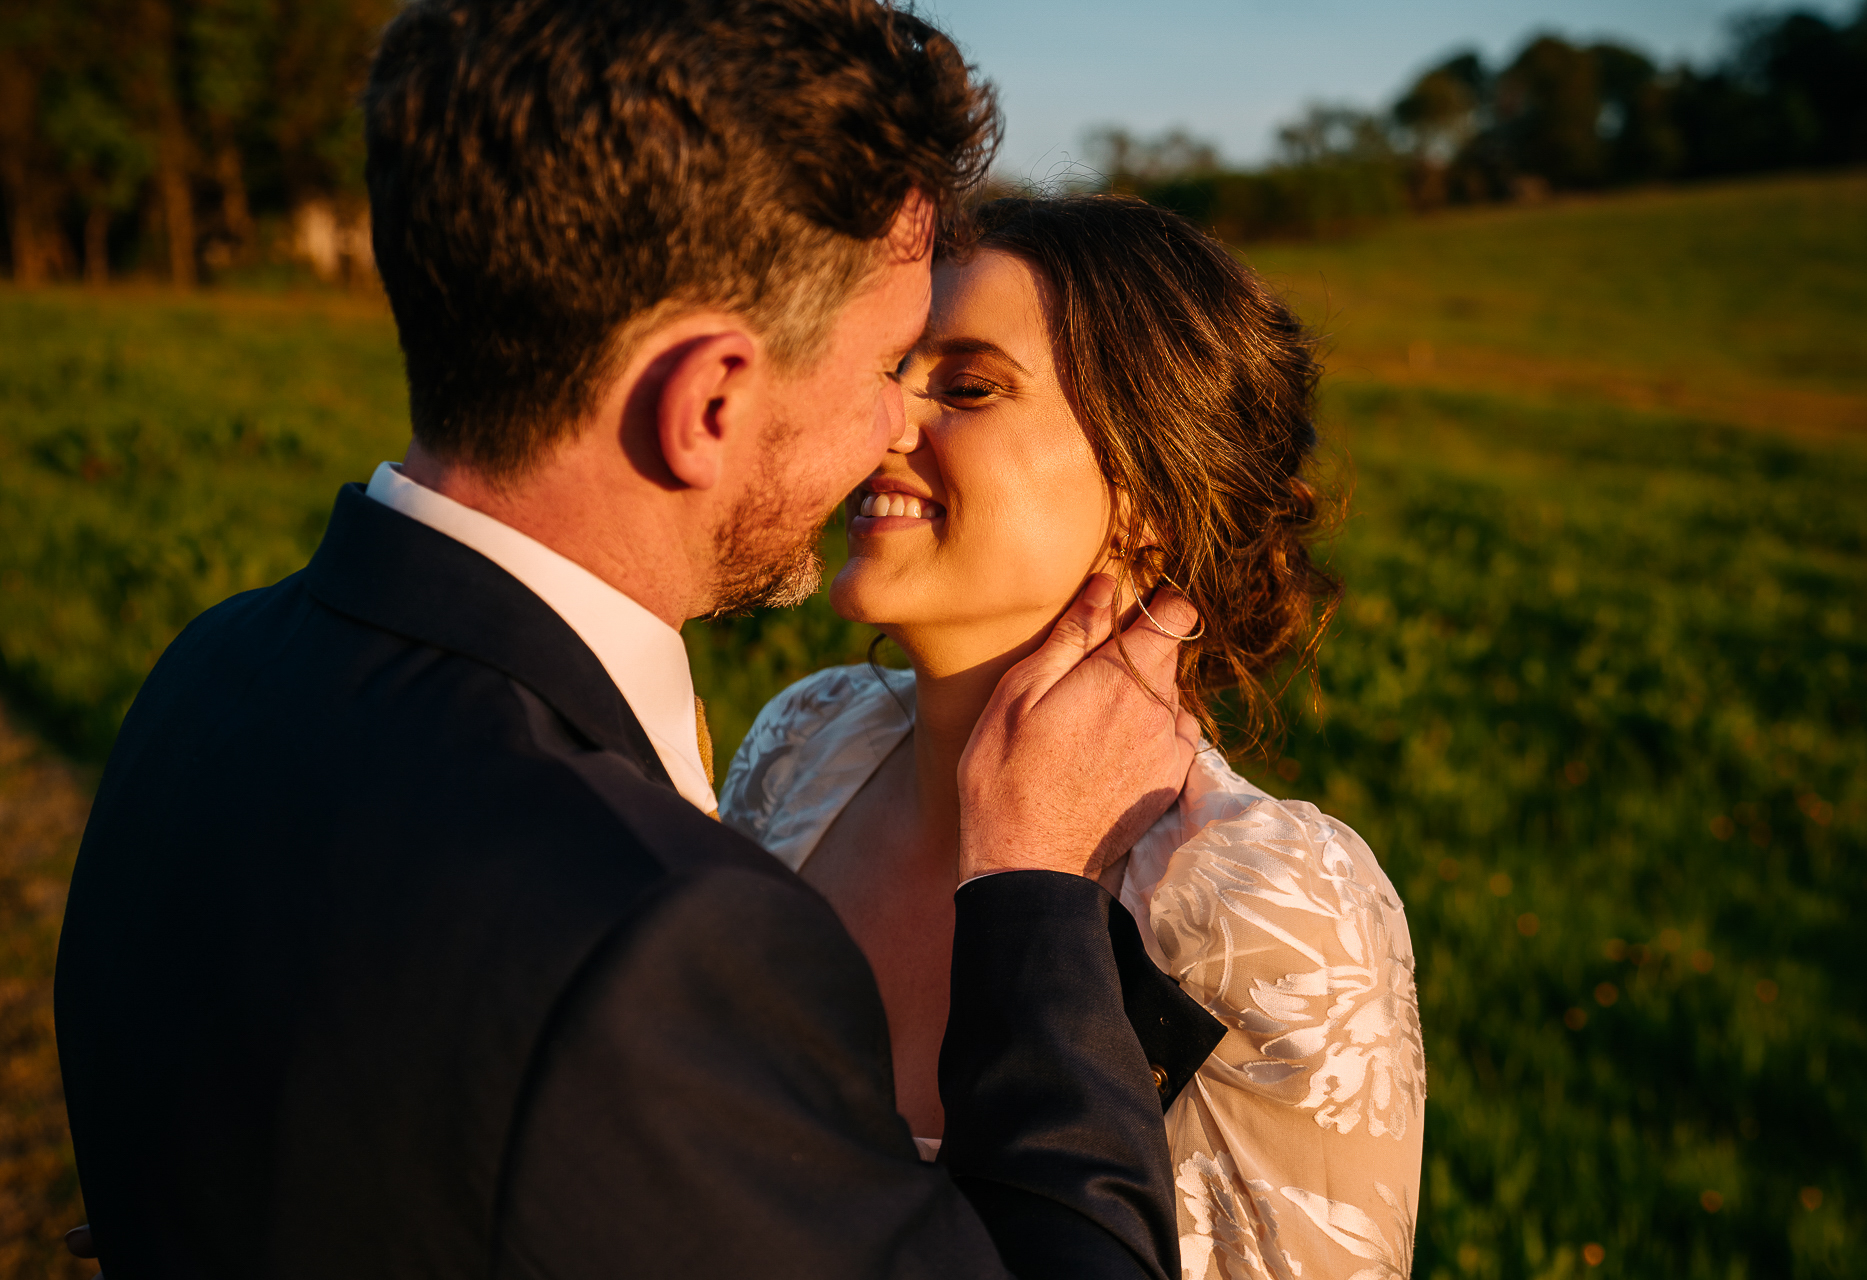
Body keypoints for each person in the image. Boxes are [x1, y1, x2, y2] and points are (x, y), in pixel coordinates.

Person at [52, 5, 1228, 1277]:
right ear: (708, 402)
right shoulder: (650, 943)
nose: (893, 421)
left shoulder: (207, 676)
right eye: (886, 362)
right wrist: (1040, 893)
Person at [721, 195, 1428, 1280]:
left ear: (1147, 490)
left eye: (967, 386)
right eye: (889, 371)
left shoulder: (1267, 900)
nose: (880, 423)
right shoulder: (806, 741)